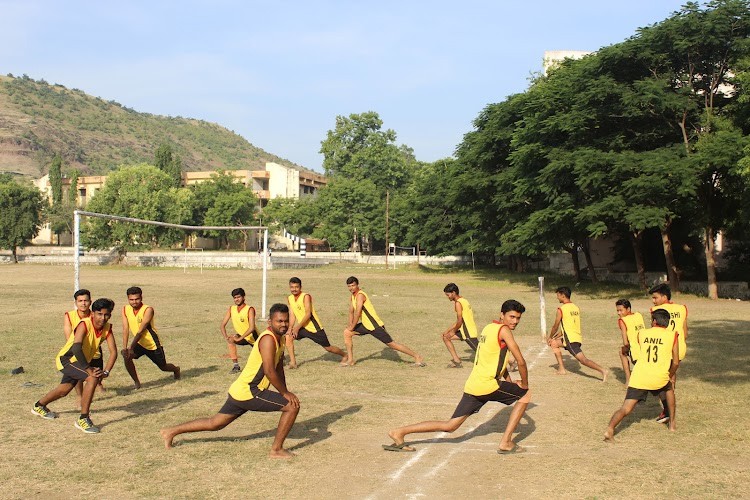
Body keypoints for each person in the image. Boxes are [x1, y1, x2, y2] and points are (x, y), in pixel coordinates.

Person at [383, 300, 531, 454]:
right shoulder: (504, 330)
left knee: (450, 426)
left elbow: (495, 360)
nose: (515, 321)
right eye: (512, 317)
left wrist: (509, 383)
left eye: (518, 318)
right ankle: (506, 442)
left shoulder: (489, 328)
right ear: (502, 315)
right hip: (487, 385)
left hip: (474, 384)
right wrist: (524, 385)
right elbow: (520, 361)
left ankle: (399, 432)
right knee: (526, 394)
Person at [160, 303, 300, 459]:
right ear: (269, 322)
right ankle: (276, 450)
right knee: (291, 407)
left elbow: (279, 368)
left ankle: (170, 431)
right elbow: (269, 370)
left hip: (240, 390)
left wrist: (285, 392)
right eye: (279, 321)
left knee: (215, 423)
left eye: (286, 321)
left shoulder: (279, 339)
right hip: (250, 391)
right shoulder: (268, 339)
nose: (283, 324)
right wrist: (285, 394)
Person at [33, 298, 118, 434]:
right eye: (99, 314)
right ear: (93, 314)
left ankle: (39, 406)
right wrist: (88, 369)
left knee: (64, 390)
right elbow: (76, 347)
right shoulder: (84, 324)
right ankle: (83, 418)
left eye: (106, 314)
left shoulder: (107, 328)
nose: (103, 318)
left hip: (79, 362)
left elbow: (114, 351)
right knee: (92, 378)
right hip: (67, 359)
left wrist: (106, 372)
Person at [604, 309, 678, 442]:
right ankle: (672, 424)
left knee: (625, 408)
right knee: (669, 389)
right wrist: (670, 375)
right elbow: (676, 362)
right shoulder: (672, 335)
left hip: (639, 376)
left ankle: (610, 429)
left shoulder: (642, 333)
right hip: (659, 376)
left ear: (654, 321)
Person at [342, 276, 425, 367]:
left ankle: (417, 357)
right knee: (347, 333)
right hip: (366, 325)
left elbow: (357, 312)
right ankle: (350, 360)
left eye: (353, 285)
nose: (351, 288)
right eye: (349, 286)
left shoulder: (360, 295)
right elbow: (351, 311)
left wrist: (353, 326)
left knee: (392, 344)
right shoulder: (352, 296)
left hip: (375, 325)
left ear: (357, 285)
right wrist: (350, 325)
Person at [121, 286, 180, 388]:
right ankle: (137, 382)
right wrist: (125, 348)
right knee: (127, 357)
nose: (134, 302)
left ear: (141, 297)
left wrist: (130, 347)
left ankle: (176, 369)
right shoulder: (125, 309)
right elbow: (125, 329)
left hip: (151, 343)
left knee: (163, 367)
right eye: (131, 299)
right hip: (139, 343)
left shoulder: (148, 310)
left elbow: (140, 331)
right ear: (128, 299)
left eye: (137, 299)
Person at [547, 286, 608, 382]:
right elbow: (567, 328)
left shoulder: (561, 309)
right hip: (575, 337)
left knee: (583, 360)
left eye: (558, 295)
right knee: (554, 343)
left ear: (563, 296)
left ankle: (603, 370)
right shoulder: (575, 307)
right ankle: (562, 369)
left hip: (570, 340)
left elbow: (555, 326)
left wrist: (550, 336)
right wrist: (554, 338)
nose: (557, 297)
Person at [286, 277, 348, 368]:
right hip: (303, 327)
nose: (294, 289)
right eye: (292, 287)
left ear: (300, 287)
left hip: (314, 328)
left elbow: (308, 314)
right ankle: (293, 362)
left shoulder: (305, 296)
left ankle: (345, 355)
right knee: (288, 337)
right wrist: (290, 328)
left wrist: (297, 327)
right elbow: (292, 314)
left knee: (328, 348)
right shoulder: (290, 298)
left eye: (296, 287)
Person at [648, 283, 688, 424]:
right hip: (680, 347)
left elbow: (654, 331)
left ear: (664, 297)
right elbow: (685, 331)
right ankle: (670, 404)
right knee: (672, 375)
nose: (653, 301)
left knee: (663, 380)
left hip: (665, 347)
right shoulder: (682, 308)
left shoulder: (656, 310)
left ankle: (667, 411)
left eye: (655, 297)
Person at [63, 289, 103, 403]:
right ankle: (79, 396)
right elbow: (68, 336)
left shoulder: (95, 315)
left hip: (93, 350)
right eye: (80, 301)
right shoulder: (69, 316)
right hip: (78, 350)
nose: (83, 303)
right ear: (76, 303)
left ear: (90, 302)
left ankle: (99, 385)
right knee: (79, 375)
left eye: (86, 300)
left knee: (97, 371)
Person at [219, 288, 258, 374]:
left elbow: (251, 328)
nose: (236, 299)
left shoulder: (250, 309)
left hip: (254, 337)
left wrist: (239, 338)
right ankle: (236, 366)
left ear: (243, 297)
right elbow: (222, 325)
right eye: (234, 297)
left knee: (264, 358)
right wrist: (226, 337)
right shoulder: (231, 309)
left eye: (238, 297)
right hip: (242, 337)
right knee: (230, 340)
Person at [441, 283, 479, 368]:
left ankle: (510, 361)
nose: (448, 297)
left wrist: (453, 331)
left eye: (448, 295)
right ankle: (456, 361)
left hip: (468, 331)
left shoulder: (458, 303)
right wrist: (447, 331)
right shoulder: (464, 300)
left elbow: (460, 320)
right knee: (446, 337)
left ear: (453, 293)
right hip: (463, 329)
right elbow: (460, 320)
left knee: (482, 353)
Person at [615, 299, 645, 386]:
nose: (619, 313)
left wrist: (627, 347)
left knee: (622, 352)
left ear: (628, 309)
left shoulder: (623, 321)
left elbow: (625, 341)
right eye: (617, 310)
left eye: (621, 310)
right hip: (645, 345)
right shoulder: (638, 315)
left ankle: (628, 380)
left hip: (635, 349)